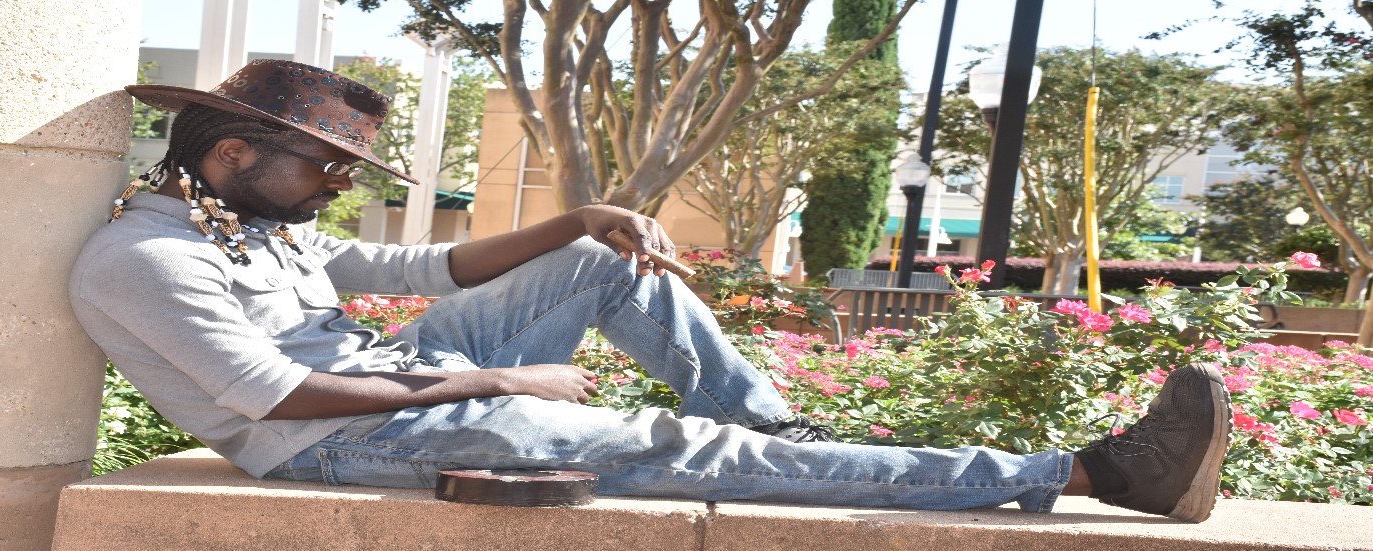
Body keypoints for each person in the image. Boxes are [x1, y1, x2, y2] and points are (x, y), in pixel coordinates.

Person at [70, 59, 1232, 523]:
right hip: (328, 441)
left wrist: (581, 218)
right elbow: (271, 396)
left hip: (391, 380)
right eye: (325, 166)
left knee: (598, 262)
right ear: (232, 153)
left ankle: (772, 424)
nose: (336, 185)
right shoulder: (148, 259)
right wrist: (502, 380)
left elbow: (423, 271)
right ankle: (1091, 473)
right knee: (683, 451)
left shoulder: (243, 219)